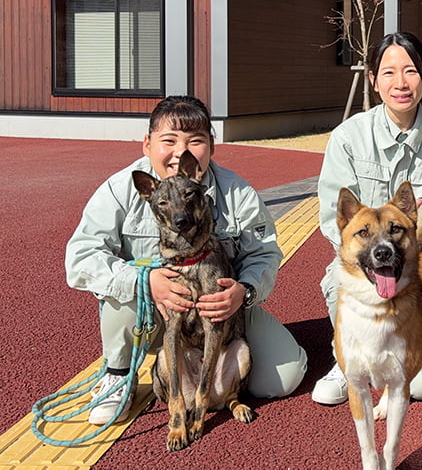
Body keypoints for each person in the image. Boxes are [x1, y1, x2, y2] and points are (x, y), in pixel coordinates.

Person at [65, 95, 308, 425]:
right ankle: (119, 373)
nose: (182, 152)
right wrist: (143, 282)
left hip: (221, 311)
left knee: (284, 378)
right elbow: (80, 258)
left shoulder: (236, 192)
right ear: (147, 144)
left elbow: (264, 253)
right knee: (123, 289)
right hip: (154, 314)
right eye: (169, 140)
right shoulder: (121, 189)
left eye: (196, 141)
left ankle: (214, 384)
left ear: (211, 146)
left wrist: (244, 291)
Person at [311, 32, 422, 405]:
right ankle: (347, 356)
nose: (400, 83)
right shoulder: (348, 137)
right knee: (343, 285)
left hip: (418, 270)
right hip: (365, 267)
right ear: (373, 78)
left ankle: (420, 343)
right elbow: (328, 219)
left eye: (411, 71)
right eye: (388, 73)